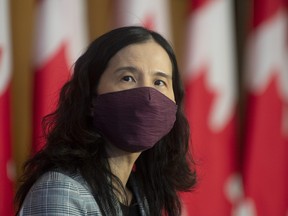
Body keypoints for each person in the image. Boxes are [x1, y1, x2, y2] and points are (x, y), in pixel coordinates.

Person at [15, 26, 197, 216]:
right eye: (128, 78)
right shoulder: (60, 191)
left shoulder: (142, 193)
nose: (148, 96)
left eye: (159, 82)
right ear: (91, 98)